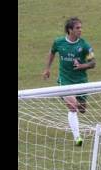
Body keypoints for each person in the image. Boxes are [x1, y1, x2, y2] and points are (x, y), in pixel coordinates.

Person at [42, 17, 96, 146]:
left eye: (80, 27)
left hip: (81, 81)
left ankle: (77, 108)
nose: (80, 30)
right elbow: (52, 52)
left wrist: (82, 66)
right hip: (65, 80)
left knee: (81, 109)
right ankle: (77, 138)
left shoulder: (84, 45)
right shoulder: (59, 42)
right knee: (73, 107)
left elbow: (93, 63)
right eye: (77, 28)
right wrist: (47, 69)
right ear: (70, 30)